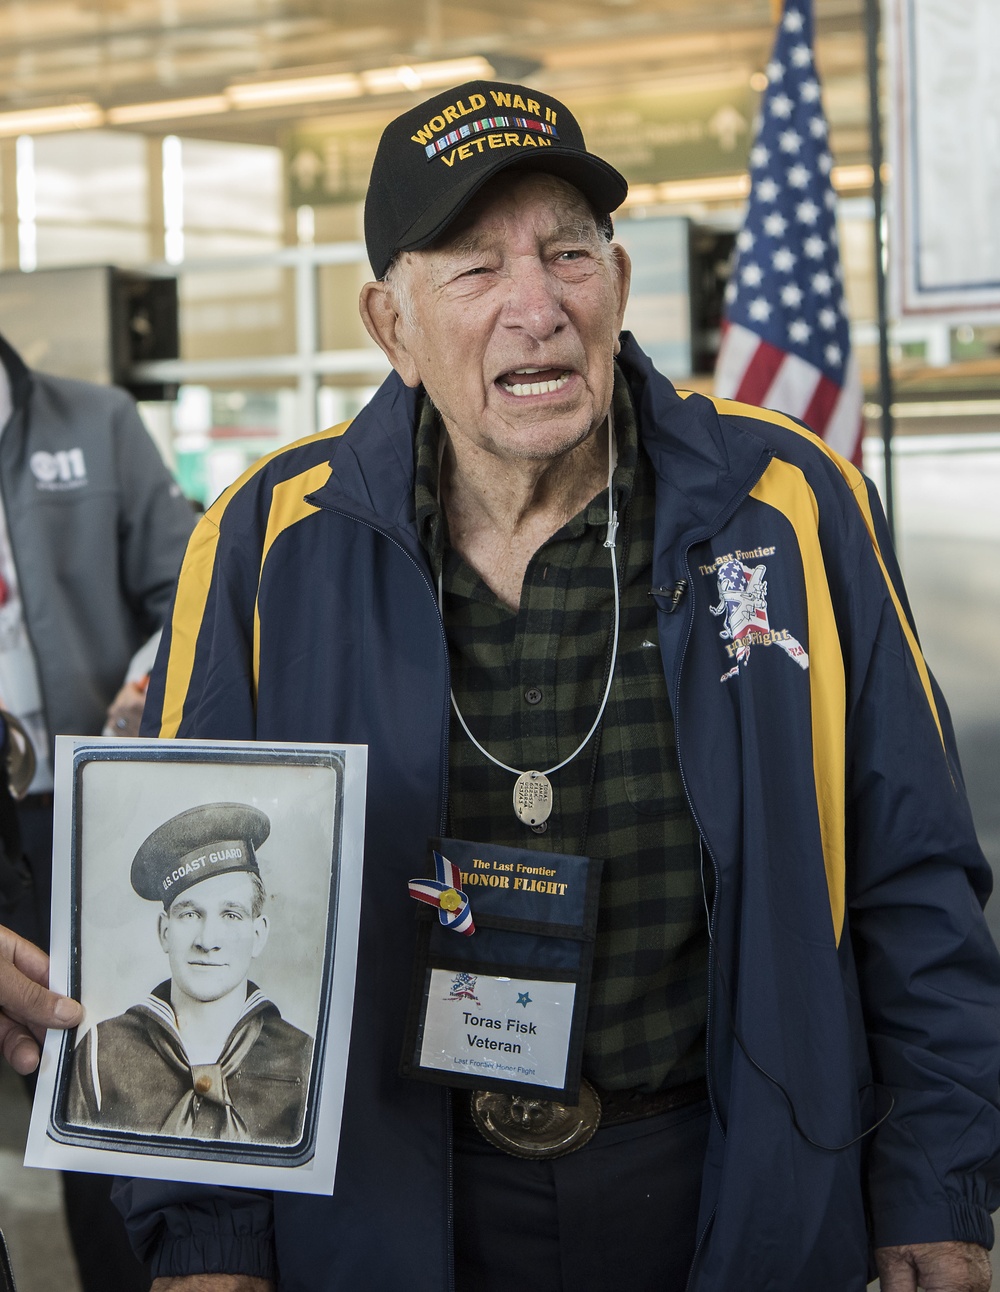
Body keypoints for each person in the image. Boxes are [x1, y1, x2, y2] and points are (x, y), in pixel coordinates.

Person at [34, 79, 1000, 1290]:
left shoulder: (789, 506)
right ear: (391, 324)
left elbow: (915, 878)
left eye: (567, 253)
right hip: (388, 1203)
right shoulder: (266, 540)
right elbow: (166, 932)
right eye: (476, 269)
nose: (536, 307)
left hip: (734, 1178)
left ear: (618, 282)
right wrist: (209, 1238)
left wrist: (936, 1187)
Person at [0, 328, 195, 1290]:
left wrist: (138, 692)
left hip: (75, 812)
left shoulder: (99, 423)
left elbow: (189, 586)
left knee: (90, 1078)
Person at [66, 802, 313, 1143]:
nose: (207, 941)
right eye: (190, 914)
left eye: (231, 915)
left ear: (258, 935)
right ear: (164, 932)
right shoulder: (102, 1053)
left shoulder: (303, 1058)